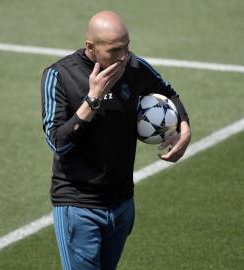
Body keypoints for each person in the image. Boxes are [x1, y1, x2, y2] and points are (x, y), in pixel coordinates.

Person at [40, 10, 191, 270]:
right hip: (78, 207)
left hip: (121, 203)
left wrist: (185, 127)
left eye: (127, 47)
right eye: (115, 50)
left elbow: (167, 92)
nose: (123, 56)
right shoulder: (60, 75)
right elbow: (57, 142)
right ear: (91, 46)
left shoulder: (133, 67)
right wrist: (93, 99)